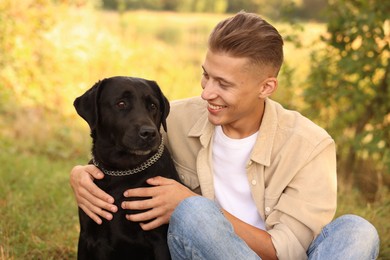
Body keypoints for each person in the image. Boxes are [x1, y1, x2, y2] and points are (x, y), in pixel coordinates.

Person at [70, 11, 379, 259]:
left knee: (358, 231)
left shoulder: (310, 145)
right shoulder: (172, 119)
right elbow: (119, 144)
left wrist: (186, 201)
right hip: (200, 252)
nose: (207, 92)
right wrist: (80, 174)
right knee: (194, 214)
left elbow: (286, 250)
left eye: (224, 84)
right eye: (206, 75)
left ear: (265, 87)